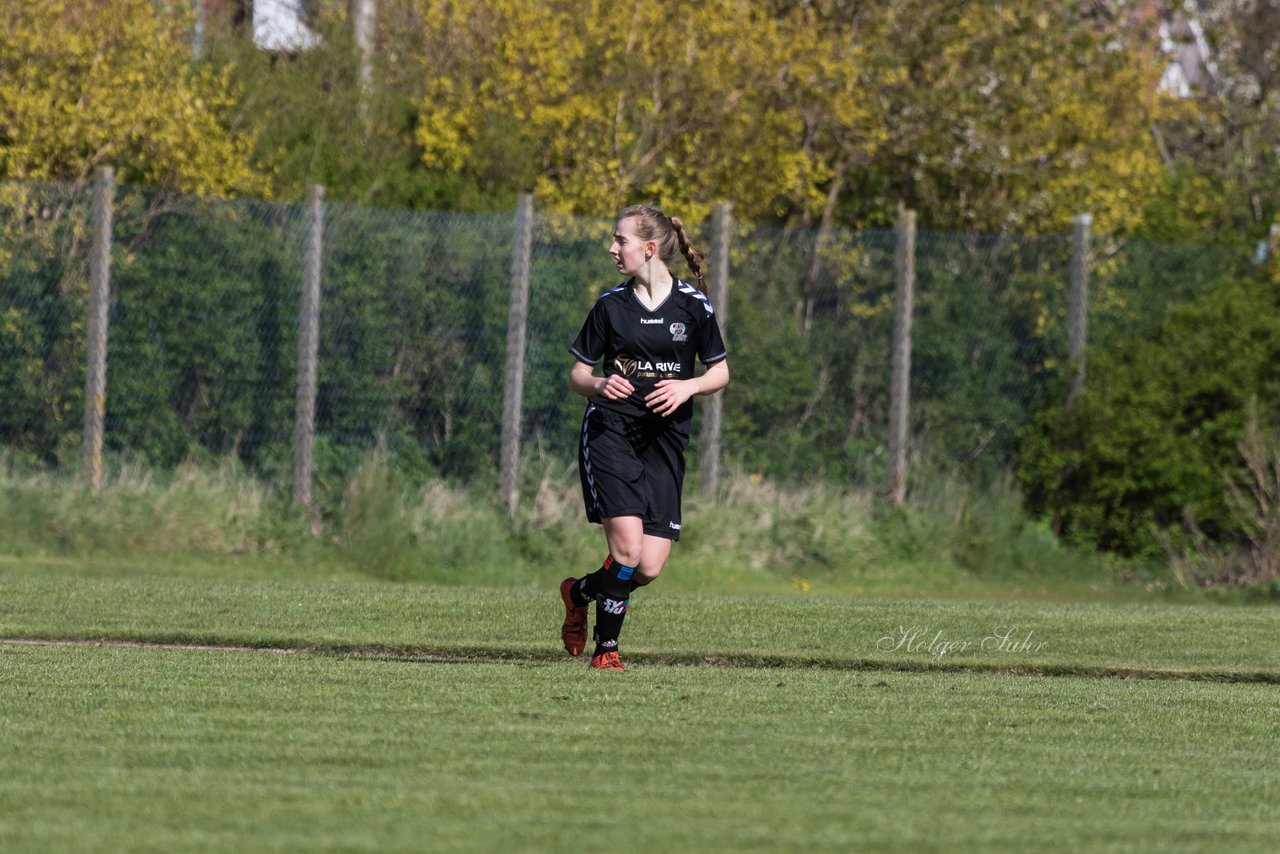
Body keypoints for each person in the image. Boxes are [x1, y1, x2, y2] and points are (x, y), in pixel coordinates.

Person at [558, 204, 729, 670]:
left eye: (621, 241)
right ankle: (606, 650)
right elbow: (577, 373)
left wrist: (689, 385)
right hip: (611, 432)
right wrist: (597, 383)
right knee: (628, 549)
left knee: (648, 566)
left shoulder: (693, 306)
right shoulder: (610, 304)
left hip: (664, 443)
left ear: (650, 249)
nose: (612, 249)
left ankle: (579, 593)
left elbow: (720, 371)